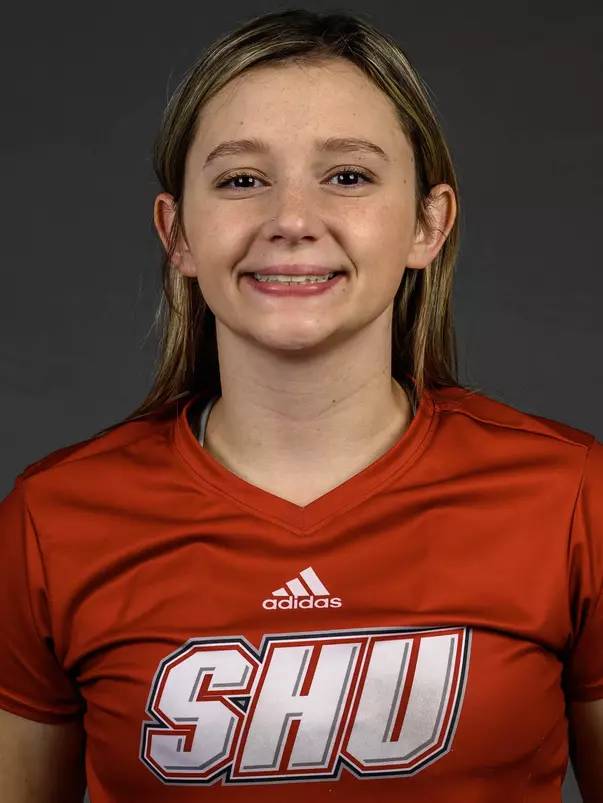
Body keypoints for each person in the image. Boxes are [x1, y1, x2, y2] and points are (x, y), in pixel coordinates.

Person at [0, 8, 601, 802]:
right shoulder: (53, 520)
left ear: (429, 223)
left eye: (347, 175)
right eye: (241, 180)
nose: (290, 220)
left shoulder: (570, 496)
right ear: (177, 232)